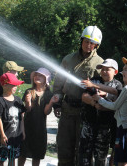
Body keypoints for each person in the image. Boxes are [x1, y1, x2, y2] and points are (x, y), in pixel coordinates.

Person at [53, 26, 104, 166]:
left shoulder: (100, 63)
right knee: (63, 146)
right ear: (81, 40)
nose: (88, 45)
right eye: (86, 41)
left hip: (86, 112)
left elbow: (104, 87)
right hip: (67, 109)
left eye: (92, 43)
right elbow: (58, 82)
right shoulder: (68, 59)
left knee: (82, 149)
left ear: (96, 45)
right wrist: (57, 103)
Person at [93, 57, 127, 166]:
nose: (122, 72)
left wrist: (99, 99)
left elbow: (115, 106)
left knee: (122, 160)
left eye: (126, 69)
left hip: (123, 128)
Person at [79, 59, 122, 166]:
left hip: (105, 126)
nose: (103, 71)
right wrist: (94, 103)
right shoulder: (94, 80)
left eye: (107, 69)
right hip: (89, 123)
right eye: (102, 69)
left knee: (100, 156)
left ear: (115, 72)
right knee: (84, 155)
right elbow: (84, 96)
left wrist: (104, 100)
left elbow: (117, 103)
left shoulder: (118, 85)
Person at [18, 68, 59, 166]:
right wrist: (28, 102)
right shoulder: (29, 91)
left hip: (39, 129)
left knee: (37, 154)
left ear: (46, 79)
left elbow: (46, 112)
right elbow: (28, 109)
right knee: (23, 152)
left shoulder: (48, 94)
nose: (37, 76)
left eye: (40, 75)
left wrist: (51, 102)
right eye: (36, 75)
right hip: (27, 127)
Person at [0, 61, 24, 166]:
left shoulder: (3, 82)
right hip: (1, 115)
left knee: (4, 138)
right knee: (2, 138)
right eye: (15, 71)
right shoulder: (3, 84)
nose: (17, 74)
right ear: (8, 72)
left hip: (5, 115)